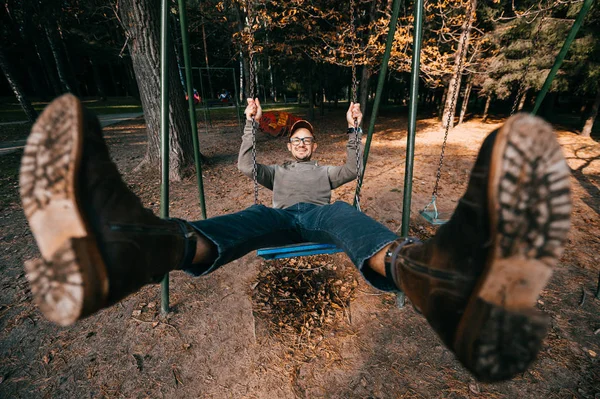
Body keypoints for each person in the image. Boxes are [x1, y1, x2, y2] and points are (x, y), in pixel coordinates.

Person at [20, 94, 571, 383]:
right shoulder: (276, 172)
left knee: (350, 223)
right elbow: (242, 164)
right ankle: (145, 247)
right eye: (299, 140)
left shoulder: (328, 172)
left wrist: (357, 127)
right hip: (280, 218)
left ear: (316, 145)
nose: (305, 145)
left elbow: (355, 167)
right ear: (292, 147)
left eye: (309, 139)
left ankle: (430, 273)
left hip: (322, 219)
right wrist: (250, 122)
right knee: (245, 222)